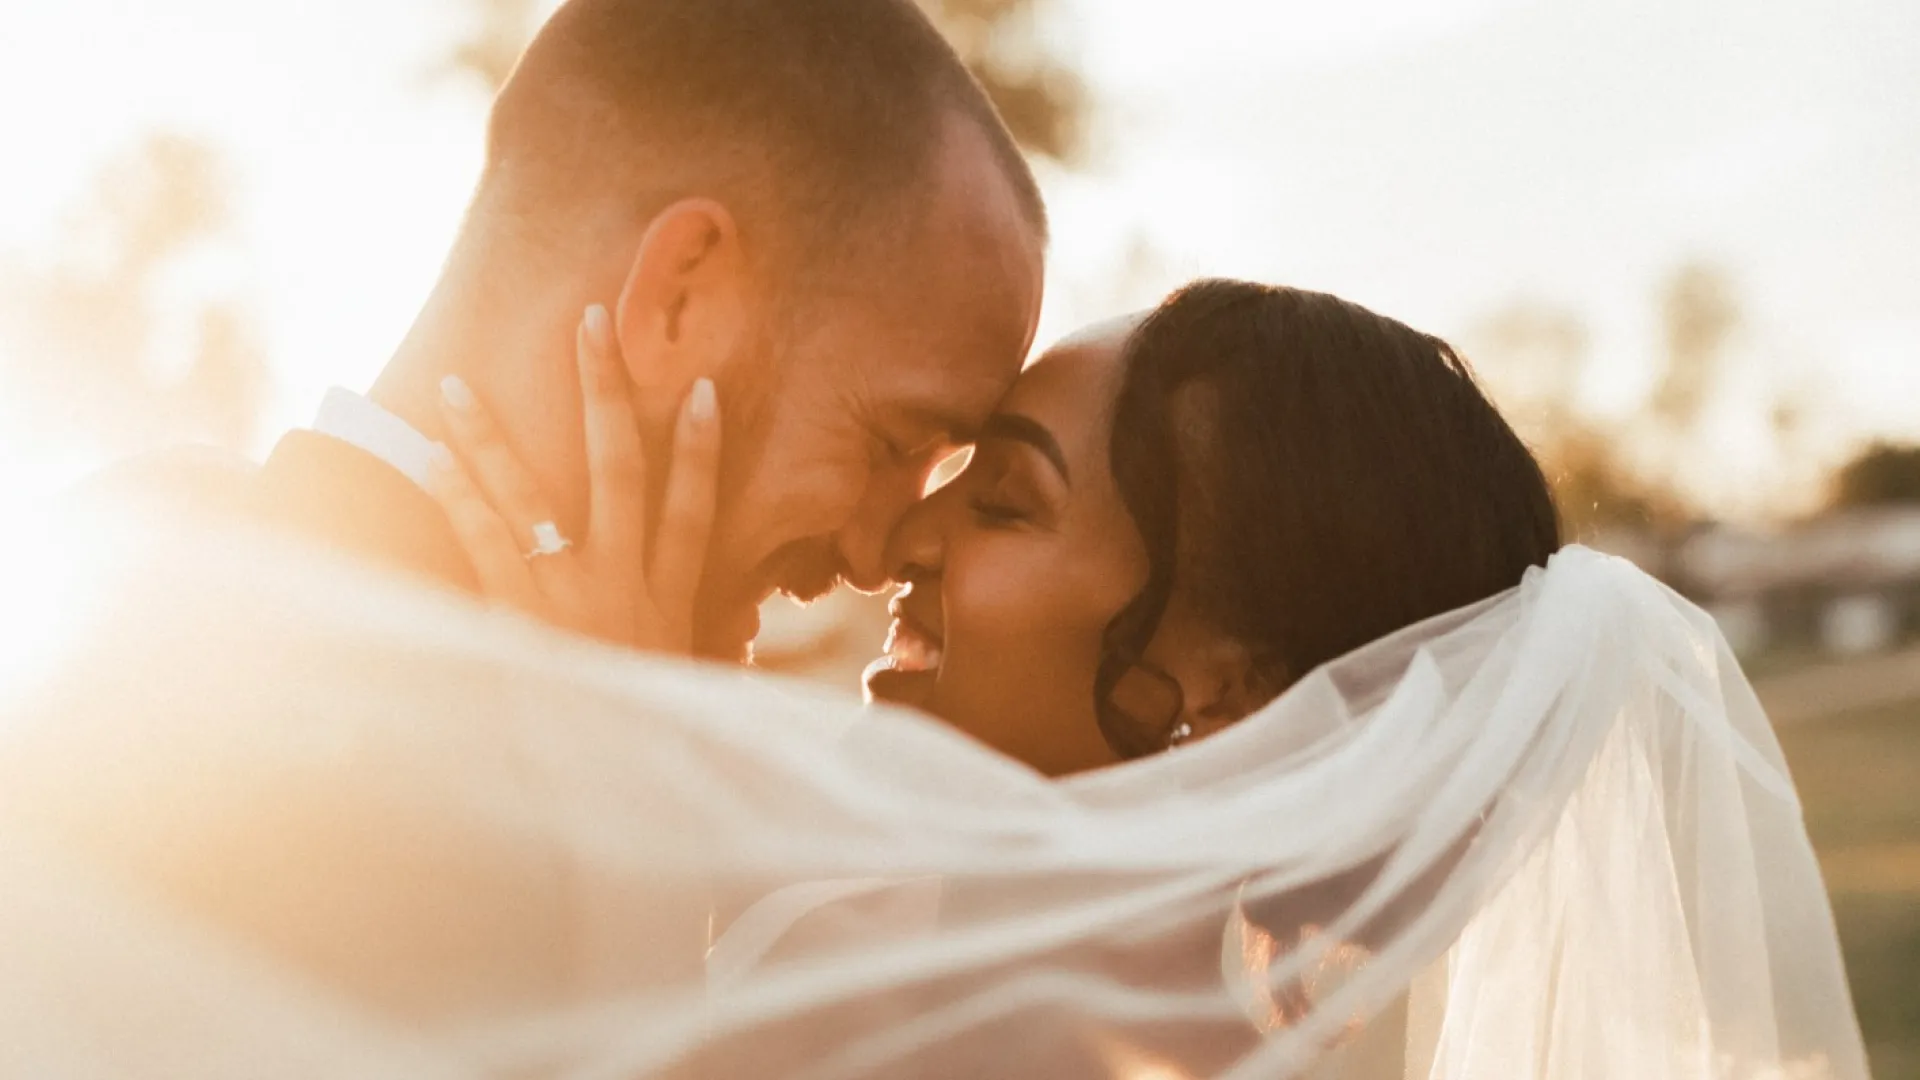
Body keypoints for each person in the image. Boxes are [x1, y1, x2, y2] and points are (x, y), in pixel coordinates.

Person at [188, 0, 1046, 664]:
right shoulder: (342, 724)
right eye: (895, 442)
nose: (876, 556)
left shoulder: (173, 564)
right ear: (678, 297)